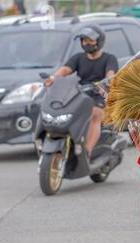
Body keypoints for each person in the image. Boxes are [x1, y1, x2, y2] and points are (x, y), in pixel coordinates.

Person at [45, 24, 118, 155]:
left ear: (99, 41)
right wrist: (53, 78)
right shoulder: (79, 58)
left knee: (96, 114)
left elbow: (110, 74)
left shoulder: (109, 58)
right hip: (81, 93)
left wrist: (106, 84)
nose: (87, 43)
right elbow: (65, 70)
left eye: (90, 40)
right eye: (84, 40)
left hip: (99, 94)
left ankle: (87, 151)